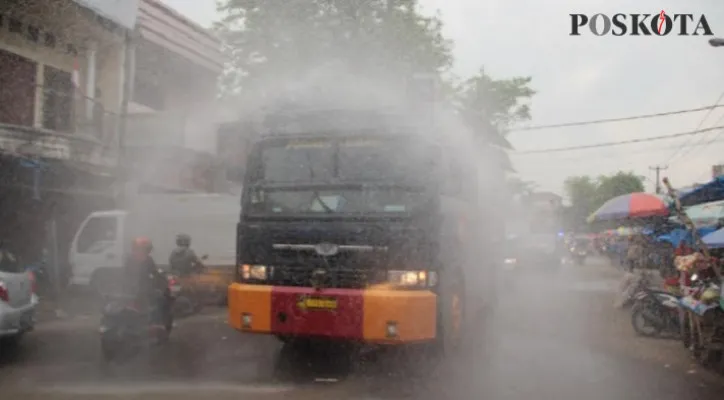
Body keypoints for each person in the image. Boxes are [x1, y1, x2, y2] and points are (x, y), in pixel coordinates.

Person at [122, 237, 171, 331]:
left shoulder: (129, 259)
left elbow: (125, 274)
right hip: (143, 291)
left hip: (129, 290)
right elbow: (155, 273)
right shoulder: (147, 260)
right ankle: (157, 322)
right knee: (161, 299)